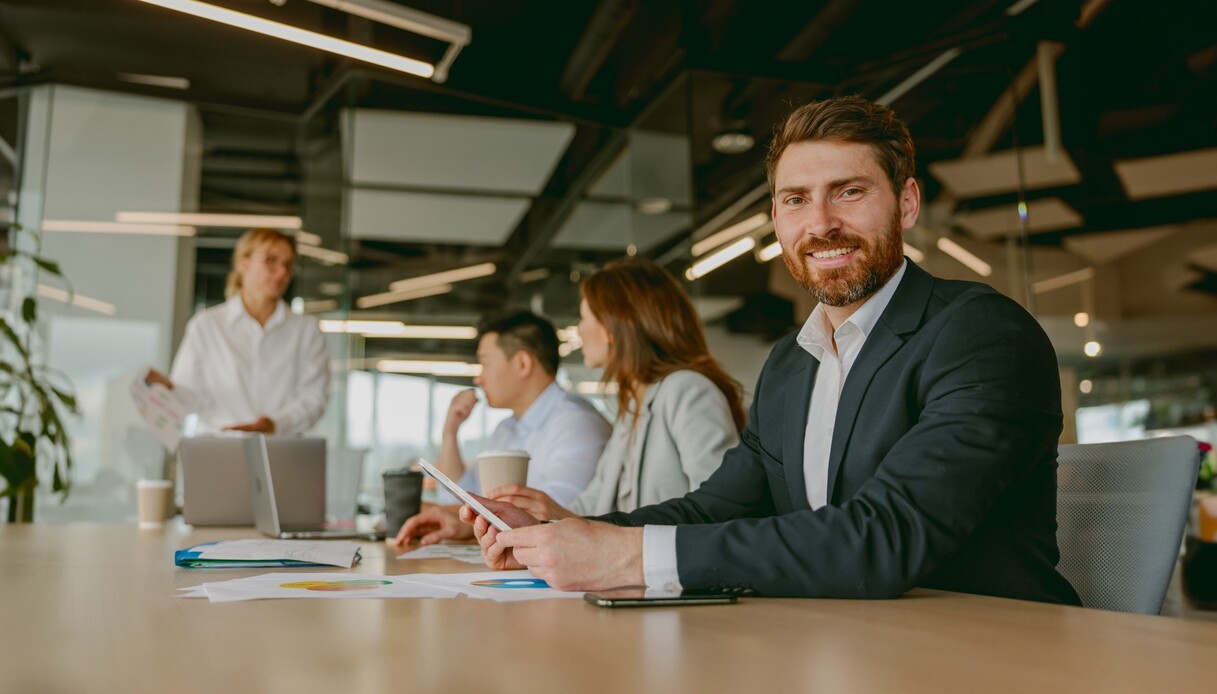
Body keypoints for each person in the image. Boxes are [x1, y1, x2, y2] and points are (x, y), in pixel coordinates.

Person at [462, 95, 1082, 605]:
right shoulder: (792, 362)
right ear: (778, 218)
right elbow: (714, 508)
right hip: (838, 644)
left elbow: (885, 541)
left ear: (908, 203)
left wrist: (624, 556)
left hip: (988, 652)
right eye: (795, 199)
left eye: (849, 191)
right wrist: (566, 534)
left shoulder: (982, 334)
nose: (820, 223)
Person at [485, 259, 745, 521]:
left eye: (585, 317)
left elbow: (721, 509)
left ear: (611, 327)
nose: (579, 329)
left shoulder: (687, 391)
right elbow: (592, 506)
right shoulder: (632, 409)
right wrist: (543, 514)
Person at [392, 311, 611, 547]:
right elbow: (467, 498)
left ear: (522, 364)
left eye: (485, 363)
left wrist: (462, 518)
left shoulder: (577, 424)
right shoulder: (506, 430)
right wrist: (450, 432)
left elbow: (551, 517)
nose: (479, 378)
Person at [146, 228, 329, 435]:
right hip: (217, 448)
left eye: (288, 265)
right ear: (242, 263)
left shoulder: (307, 330)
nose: (282, 272)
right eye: (271, 260)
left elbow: (315, 398)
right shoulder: (206, 326)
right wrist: (169, 388)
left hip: (279, 451)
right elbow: (190, 396)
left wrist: (276, 424)